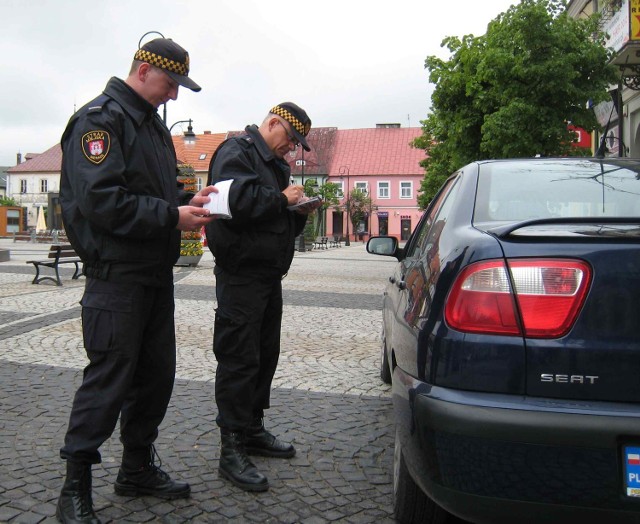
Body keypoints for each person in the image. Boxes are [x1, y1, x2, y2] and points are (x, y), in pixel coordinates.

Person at [56, 37, 216, 524]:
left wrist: (192, 196)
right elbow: (102, 203)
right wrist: (172, 216)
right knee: (108, 381)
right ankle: (74, 485)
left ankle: (136, 468)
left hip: (152, 277)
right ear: (144, 70)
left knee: (155, 379)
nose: (174, 96)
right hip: (116, 278)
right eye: (171, 83)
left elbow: (151, 191)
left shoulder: (151, 128)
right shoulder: (100, 121)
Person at [204, 102, 321, 492]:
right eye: (290, 139)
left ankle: (252, 428)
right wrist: (284, 199)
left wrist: (300, 208)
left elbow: (275, 214)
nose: (291, 149)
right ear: (272, 123)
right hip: (240, 275)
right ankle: (231, 447)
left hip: (269, 275)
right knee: (238, 358)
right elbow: (234, 204)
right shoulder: (235, 152)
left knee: (263, 355)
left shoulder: (275, 165)